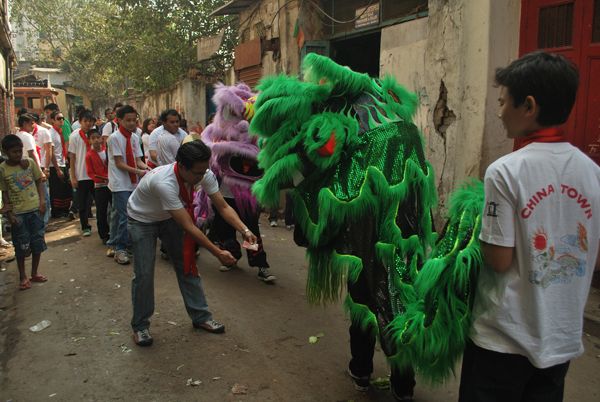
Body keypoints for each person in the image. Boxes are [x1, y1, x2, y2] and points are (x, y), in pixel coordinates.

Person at [458, 51, 600, 402]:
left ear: (529, 106)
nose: (499, 111)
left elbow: (499, 260)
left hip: (502, 340)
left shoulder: (506, 172)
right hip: (560, 340)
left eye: (504, 101)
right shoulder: (592, 173)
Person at [127, 141, 256, 346]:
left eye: (204, 170)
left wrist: (245, 230)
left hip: (169, 217)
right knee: (144, 274)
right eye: (197, 173)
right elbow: (189, 227)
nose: (202, 176)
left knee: (187, 264)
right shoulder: (164, 182)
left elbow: (222, 206)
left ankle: (201, 317)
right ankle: (140, 326)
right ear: (182, 166)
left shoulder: (203, 173)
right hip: (142, 219)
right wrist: (218, 252)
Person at [0, 135, 47, 290]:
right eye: (14, 152)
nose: (18, 154)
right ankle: (23, 276)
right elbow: (5, 193)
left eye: (20, 151)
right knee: (21, 246)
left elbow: (39, 181)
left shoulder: (29, 164)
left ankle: (34, 273)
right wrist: (10, 214)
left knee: (37, 243)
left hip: (35, 210)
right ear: (5, 152)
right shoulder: (3, 169)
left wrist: (42, 201)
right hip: (18, 214)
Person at [106, 105, 148, 264]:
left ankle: (114, 242)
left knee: (118, 214)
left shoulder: (135, 137)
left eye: (134, 120)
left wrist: (148, 168)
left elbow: (138, 161)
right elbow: (119, 163)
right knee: (125, 215)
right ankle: (121, 248)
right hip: (119, 182)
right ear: (119, 121)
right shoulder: (114, 138)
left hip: (133, 182)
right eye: (128, 120)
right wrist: (139, 172)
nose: (131, 123)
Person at [68, 110, 96, 237]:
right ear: (80, 122)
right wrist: (73, 176)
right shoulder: (74, 136)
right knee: (83, 204)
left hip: (96, 175)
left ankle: (104, 225)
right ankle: (85, 226)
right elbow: (72, 157)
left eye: (90, 121)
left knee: (100, 203)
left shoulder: (95, 135)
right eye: (85, 121)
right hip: (81, 174)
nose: (88, 123)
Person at [85, 128, 111, 244]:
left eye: (97, 137)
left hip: (111, 184)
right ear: (89, 141)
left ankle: (113, 231)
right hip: (100, 186)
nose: (96, 140)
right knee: (101, 211)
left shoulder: (107, 151)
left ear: (101, 138)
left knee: (114, 209)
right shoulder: (89, 155)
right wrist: (103, 178)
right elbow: (90, 173)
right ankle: (104, 234)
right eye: (93, 138)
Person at [47, 111, 72, 218]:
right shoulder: (51, 133)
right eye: (59, 118)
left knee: (65, 188)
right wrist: (57, 169)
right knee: (57, 190)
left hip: (63, 162)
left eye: (62, 118)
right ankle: (57, 212)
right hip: (55, 165)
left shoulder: (60, 132)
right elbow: (51, 152)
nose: (61, 120)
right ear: (52, 120)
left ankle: (65, 210)